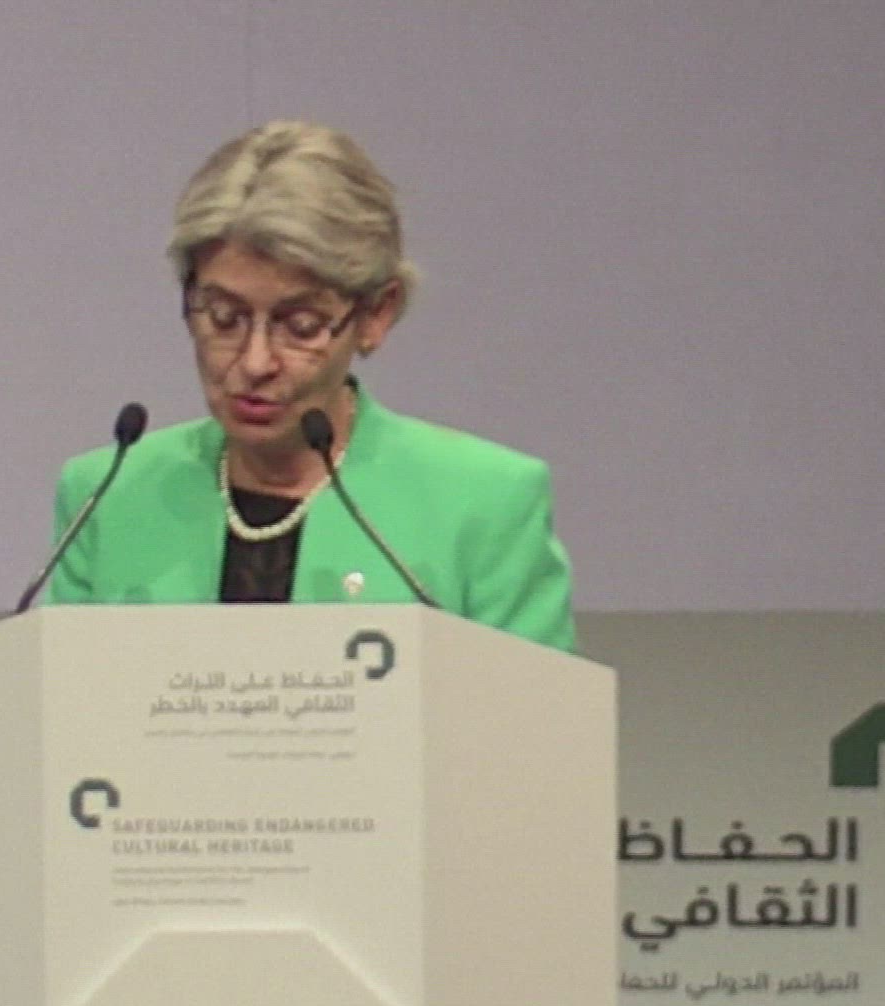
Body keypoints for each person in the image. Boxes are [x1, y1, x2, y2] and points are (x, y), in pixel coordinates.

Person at [46, 120, 575, 652]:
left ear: (376, 314)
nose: (255, 362)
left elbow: (537, 704)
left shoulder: (485, 503)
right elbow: (60, 695)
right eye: (224, 317)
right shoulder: (107, 495)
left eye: (300, 326)